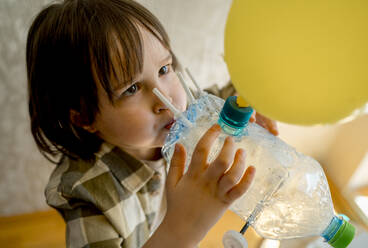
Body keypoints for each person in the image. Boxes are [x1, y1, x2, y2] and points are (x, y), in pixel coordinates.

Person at [26, 0, 278, 247]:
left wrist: (253, 100)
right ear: (85, 118)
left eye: (164, 69)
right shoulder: (86, 195)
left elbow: (230, 95)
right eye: (131, 88)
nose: (165, 98)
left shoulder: (188, 111)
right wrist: (183, 228)